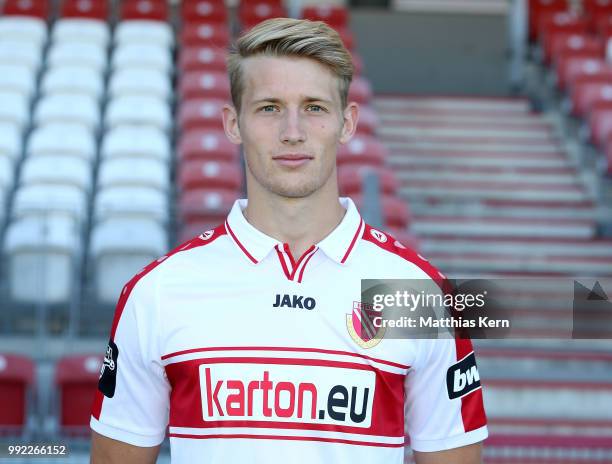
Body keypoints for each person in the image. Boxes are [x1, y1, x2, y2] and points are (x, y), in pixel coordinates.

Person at [90, 18, 487, 464]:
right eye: (269, 107)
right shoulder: (158, 292)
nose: (292, 131)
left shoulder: (418, 292)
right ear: (233, 123)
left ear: (348, 121)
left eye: (314, 107)